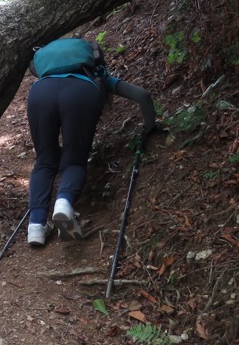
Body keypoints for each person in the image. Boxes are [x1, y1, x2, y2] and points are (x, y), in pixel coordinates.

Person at [26, 37, 156, 246]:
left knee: (45, 160)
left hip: (40, 94)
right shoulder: (97, 76)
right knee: (74, 160)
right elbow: (143, 96)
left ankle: (36, 226)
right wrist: (150, 127)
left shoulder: (45, 77)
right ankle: (64, 203)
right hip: (81, 93)